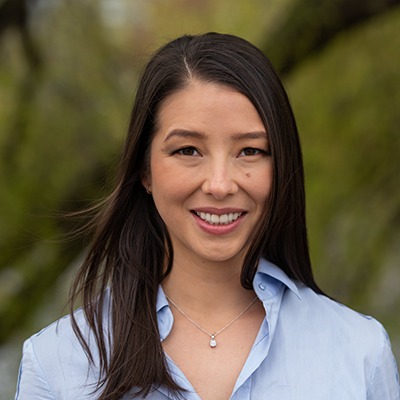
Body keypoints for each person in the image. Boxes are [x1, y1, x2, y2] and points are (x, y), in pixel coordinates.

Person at [15, 33, 399, 400]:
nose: (219, 185)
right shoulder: (59, 365)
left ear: (281, 167)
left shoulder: (359, 353)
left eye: (250, 151)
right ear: (144, 170)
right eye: (188, 151)